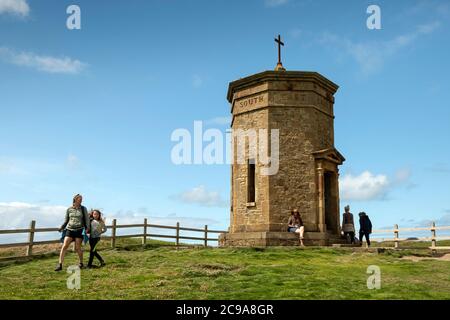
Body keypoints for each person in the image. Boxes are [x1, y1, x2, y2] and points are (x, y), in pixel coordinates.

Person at [55, 194, 90, 271]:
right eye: (79, 199)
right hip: (70, 229)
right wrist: (62, 227)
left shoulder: (83, 209)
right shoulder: (69, 209)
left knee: (78, 248)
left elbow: (87, 219)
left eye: (81, 199)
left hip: (79, 230)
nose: (81, 200)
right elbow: (66, 220)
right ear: (75, 199)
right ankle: (60, 264)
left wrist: (87, 228)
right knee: (64, 246)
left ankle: (81, 263)